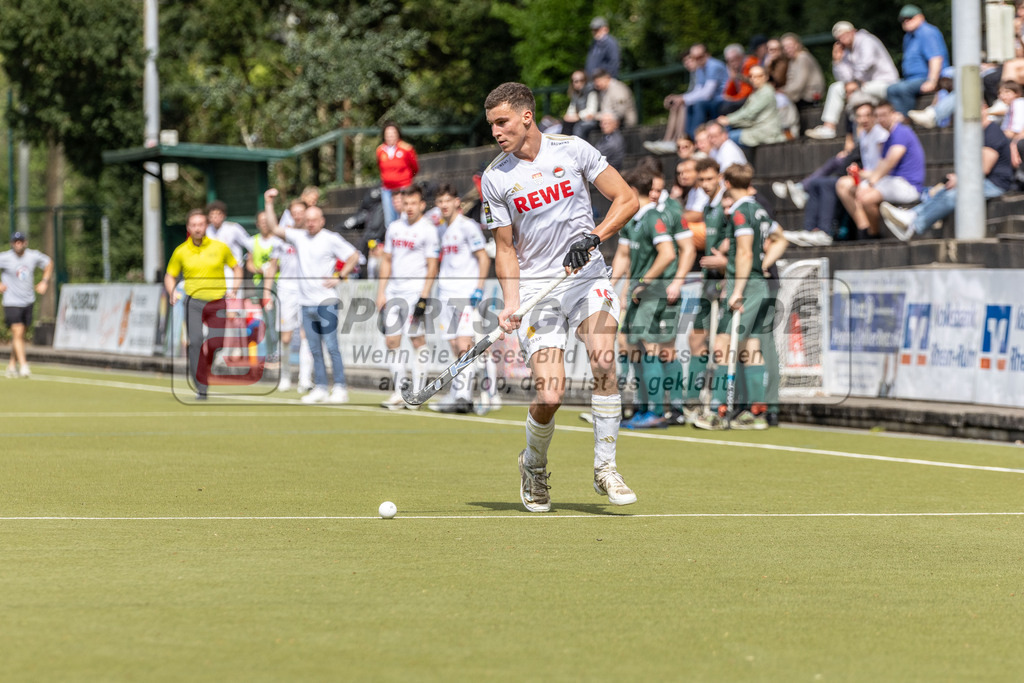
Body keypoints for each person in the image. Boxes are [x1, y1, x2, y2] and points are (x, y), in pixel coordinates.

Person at [480, 82, 639, 512]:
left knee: (604, 360)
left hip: (588, 278)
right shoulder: (496, 177)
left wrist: (595, 236)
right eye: (492, 124)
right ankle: (532, 464)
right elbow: (506, 248)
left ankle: (605, 468)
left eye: (502, 122)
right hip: (537, 289)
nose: (496, 132)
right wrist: (510, 304)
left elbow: (627, 199)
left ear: (526, 116)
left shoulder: (573, 149)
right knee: (551, 394)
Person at [693, 164, 775, 430]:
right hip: (757, 283)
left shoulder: (740, 210)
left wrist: (737, 289)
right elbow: (779, 238)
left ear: (726, 182)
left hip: (748, 286)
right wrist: (765, 263)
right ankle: (755, 413)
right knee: (750, 349)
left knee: (722, 345)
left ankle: (717, 411)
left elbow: (744, 253)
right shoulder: (759, 208)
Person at [613, 166, 689, 429]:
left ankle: (659, 411)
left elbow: (668, 253)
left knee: (653, 350)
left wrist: (645, 281)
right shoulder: (635, 218)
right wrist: (616, 286)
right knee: (635, 348)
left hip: (654, 293)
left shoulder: (653, 217)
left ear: (633, 191)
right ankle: (643, 408)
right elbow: (625, 256)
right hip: (638, 293)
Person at [266, 190, 360, 404]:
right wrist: (269, 203)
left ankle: (340, 387)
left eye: (314, 220)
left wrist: (340, 276)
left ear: (322, 220)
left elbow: (353, 255)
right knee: (314, 348)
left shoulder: (330, 238)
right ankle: (320, 386)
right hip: (305, 303)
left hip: (325, 302)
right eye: (307, 220)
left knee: (332, 346)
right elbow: (273, 228)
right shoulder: (299, 237)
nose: (310, 224)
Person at [881, 101, 1013, 240]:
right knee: (945, 190)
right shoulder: (980, 133)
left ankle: (913, 224)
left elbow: (983, 169)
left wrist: (960, 179)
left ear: (984, 109)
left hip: (995, 185)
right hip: (984, 182)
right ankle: (911, 216)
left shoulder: (992, 133)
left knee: (954, 195)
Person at [779, 100, 889, 246]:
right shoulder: (864, 135)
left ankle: (825, 232)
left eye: (868, 115)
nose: (864, 119)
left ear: (874, 116)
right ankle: (810, 229)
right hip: (864, 178)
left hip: (876, 180)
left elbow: (884, 165)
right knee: (816, 183)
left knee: (830, 184)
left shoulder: (880, 135)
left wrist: (863, 174)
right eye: (860, 116)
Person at [164, 210, 243, 400]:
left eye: (201, 224)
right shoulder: (181, 251)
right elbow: (170, 275)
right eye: (194, 225)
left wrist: (234, 288)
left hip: (217, 302)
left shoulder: (220, 247)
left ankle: (204, 366)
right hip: (193, 302)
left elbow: (236, 267)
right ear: (188, 228)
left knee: (217, 343)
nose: (198, 228)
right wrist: (172, 291)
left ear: (206, 226)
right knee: (196, 342)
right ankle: (201, 385)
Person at [376, 184, 440, 410]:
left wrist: (424, 297)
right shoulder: (394, 227)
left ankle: (418, 393)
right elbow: (386, 260)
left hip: (415, 293)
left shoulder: (428, 229)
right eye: (406, 203)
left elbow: (432, 266)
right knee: (391, 341)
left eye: (414, 203)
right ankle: (399, 391)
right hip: (394, 292)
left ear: (422, 204)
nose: (410, 207)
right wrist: (381, 291)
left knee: (417, 340)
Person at [431, 183, 490, 413]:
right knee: (455, 345)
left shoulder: (468, 227)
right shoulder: (439, 229)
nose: (444, 205)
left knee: (465, 345)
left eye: (447, 200)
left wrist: (478, 288)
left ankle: (464, 396)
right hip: (445, 294)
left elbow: (483, 258)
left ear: (457, 202)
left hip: (466, 293)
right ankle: (458, 393)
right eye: (440, 201)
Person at [836, 100, 925, 238]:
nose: (881, 119)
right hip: (894, 181)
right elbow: (882, 166)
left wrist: (870, 183)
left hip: (908, 185)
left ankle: (873, 234)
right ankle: (867, 231)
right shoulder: (890, 135)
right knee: (855, 190)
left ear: (893, 114)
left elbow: (890, 163)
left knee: (865, 197)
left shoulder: (901, 132)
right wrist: (865, 179)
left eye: (884, 115)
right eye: (878, 116)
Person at [806, 21, 899, 140]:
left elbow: (865, 64)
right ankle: (829, 127)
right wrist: (837, 61)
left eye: (844, 34)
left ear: (853, 31)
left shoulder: (866, 40)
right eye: (839, 37)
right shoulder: (846, 51)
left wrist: (854, 83)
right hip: (863, 86)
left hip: (884, 82)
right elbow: (844, 79)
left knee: (854, 96)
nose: (842, 38)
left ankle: (857, 138)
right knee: (835, 88)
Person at [646, 45, 729, 153]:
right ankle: (670, 140)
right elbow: (698, 91)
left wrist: (683, 99)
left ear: (707, 54)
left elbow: (707, 93)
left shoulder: (713, 66)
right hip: (709, 101)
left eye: (700, 56)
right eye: (695, 57)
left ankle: (685, 140)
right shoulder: (700, 69)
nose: (697, 60)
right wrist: (680, 98)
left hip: (721, 100)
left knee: (691, 104)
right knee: (681, 104)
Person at [0, 231, 52, 379]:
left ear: (25, 242)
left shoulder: (33, 256)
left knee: (20, 335)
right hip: (11, 301)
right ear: (12, 243)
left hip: (28, 300)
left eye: (21, 241)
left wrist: (44, 282)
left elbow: (49, 263)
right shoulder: (5, 258)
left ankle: (11, 365)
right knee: (17, 332)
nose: (18, 243)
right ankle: (23, 365)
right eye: (16, 241)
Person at [887, 5, 950, 115]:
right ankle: (898, 119)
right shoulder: (908, 37)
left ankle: (906, 120)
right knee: (891, 89)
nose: (906, 22)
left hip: (927, 78)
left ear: (921, 17)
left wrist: (932, 81)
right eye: (903, 20)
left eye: (910, 18)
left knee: (903, 89)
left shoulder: (927, 32)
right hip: (912, 79)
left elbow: (936, 58)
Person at [716, 65, 786, 148]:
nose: (754, 79)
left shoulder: (766, 92)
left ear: (766, 77)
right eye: (751, 76)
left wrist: (729, 119)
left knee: (725, 138)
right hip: (755, 129)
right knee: (722, 135)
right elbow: (745, 111)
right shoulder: (757, 92)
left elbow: (749, 112)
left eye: (758, 76)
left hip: (766, 132)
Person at [376, 121, 420, 227]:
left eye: (392, 133)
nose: (390, 136)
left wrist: (405, 180)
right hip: (387, 189)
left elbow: (415, 168)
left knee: (405, 216)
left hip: (403, 188)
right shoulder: (380, 150)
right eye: (388, 134)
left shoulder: (406, 148)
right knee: (390, 220)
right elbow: (380, 167)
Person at [778, 33, 825, 110]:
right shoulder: (792, 61)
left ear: (797, 45)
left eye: (790, 45)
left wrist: (783, 91)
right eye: (784, 47)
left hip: (808, 97)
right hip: (800, 96)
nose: (787, 49)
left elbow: (799, 84)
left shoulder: (803, 58)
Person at [719, 44, 755, 116]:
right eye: (729, 60)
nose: (732, 63)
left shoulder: (750, 64)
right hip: (742, 98)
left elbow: (747, 93)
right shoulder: (735, 69)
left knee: (726, 107)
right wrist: (733, 78)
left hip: (753, 98)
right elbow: (728, 93)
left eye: (735, 58)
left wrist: (732, 99)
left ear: (742, 56)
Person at [561, 70, 599, 136]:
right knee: (564, 124)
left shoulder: (591, 92)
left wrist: (578, 116)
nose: (578, 83)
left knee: (578, 128)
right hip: (579, 120)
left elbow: (591, 112)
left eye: (581, 80)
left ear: (585, 80)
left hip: (591, 120)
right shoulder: (575, 94)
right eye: (575, 81)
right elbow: (571, 109)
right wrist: (569, 116)